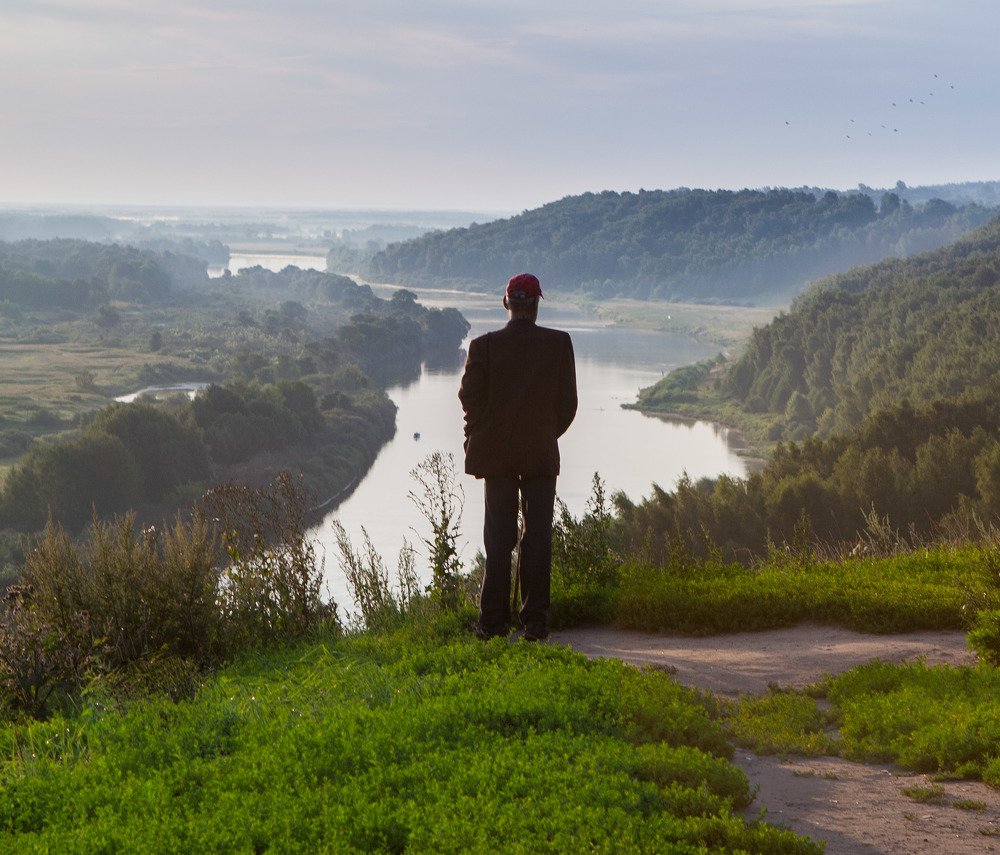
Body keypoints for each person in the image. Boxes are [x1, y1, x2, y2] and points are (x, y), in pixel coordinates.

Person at [458, 273, 577, 641]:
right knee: (537, 537)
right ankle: (535, 623)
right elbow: (568, 405)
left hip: (497, 456)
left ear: (506, 303)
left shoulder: (484, 347)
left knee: (498, 538)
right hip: (540, 453)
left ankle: (492, 624)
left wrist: (481, 434)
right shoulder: (558, 344)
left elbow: (469, 399)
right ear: (537, 304)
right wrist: (542, 434)